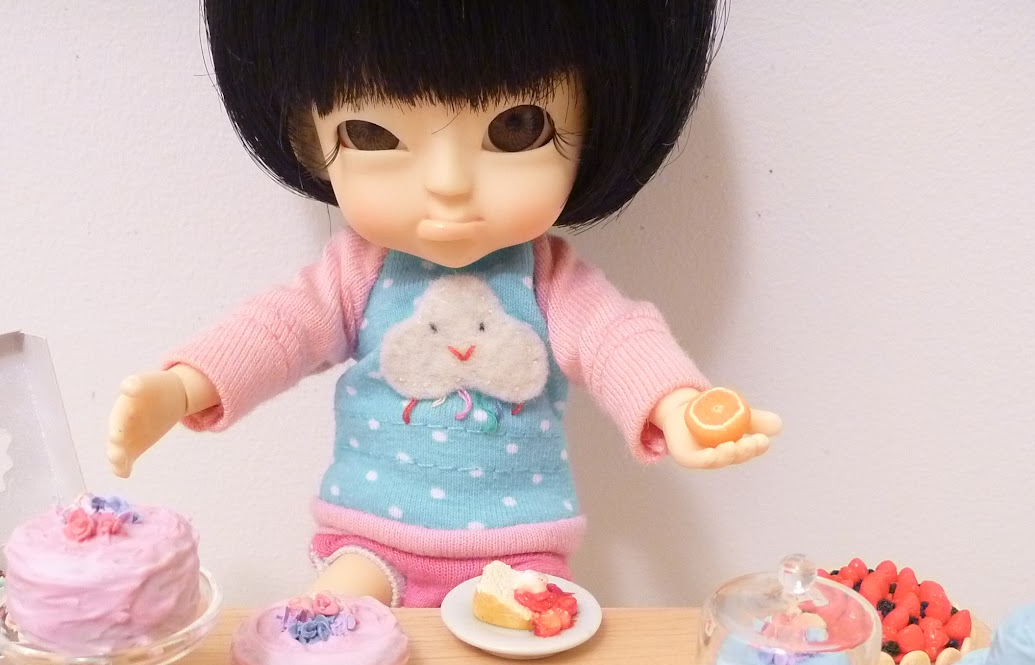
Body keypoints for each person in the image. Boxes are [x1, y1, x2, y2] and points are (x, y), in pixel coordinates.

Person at [107, 0, 781, 607]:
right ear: (311, 136)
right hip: (369, 541)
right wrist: (184, 386)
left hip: (520, 549)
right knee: (317, 641)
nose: (448, 185)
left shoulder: (546, 280)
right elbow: (277, 329)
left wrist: (676, 403)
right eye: (372, 133)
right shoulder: (357, 274)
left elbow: (616, 338)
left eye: (517, 127)